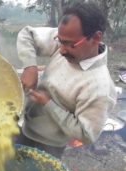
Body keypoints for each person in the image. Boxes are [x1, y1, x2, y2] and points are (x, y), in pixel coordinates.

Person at [16, 2, 117, 158]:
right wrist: (30, 66)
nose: (61, 50)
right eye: (60, 41)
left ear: (96, 37)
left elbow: (86, 134)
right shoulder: (68, 37)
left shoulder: (99, 87)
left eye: (70, 45)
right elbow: (27, 34)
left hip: (49, 144)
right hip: (27, 126)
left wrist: (48, 103)